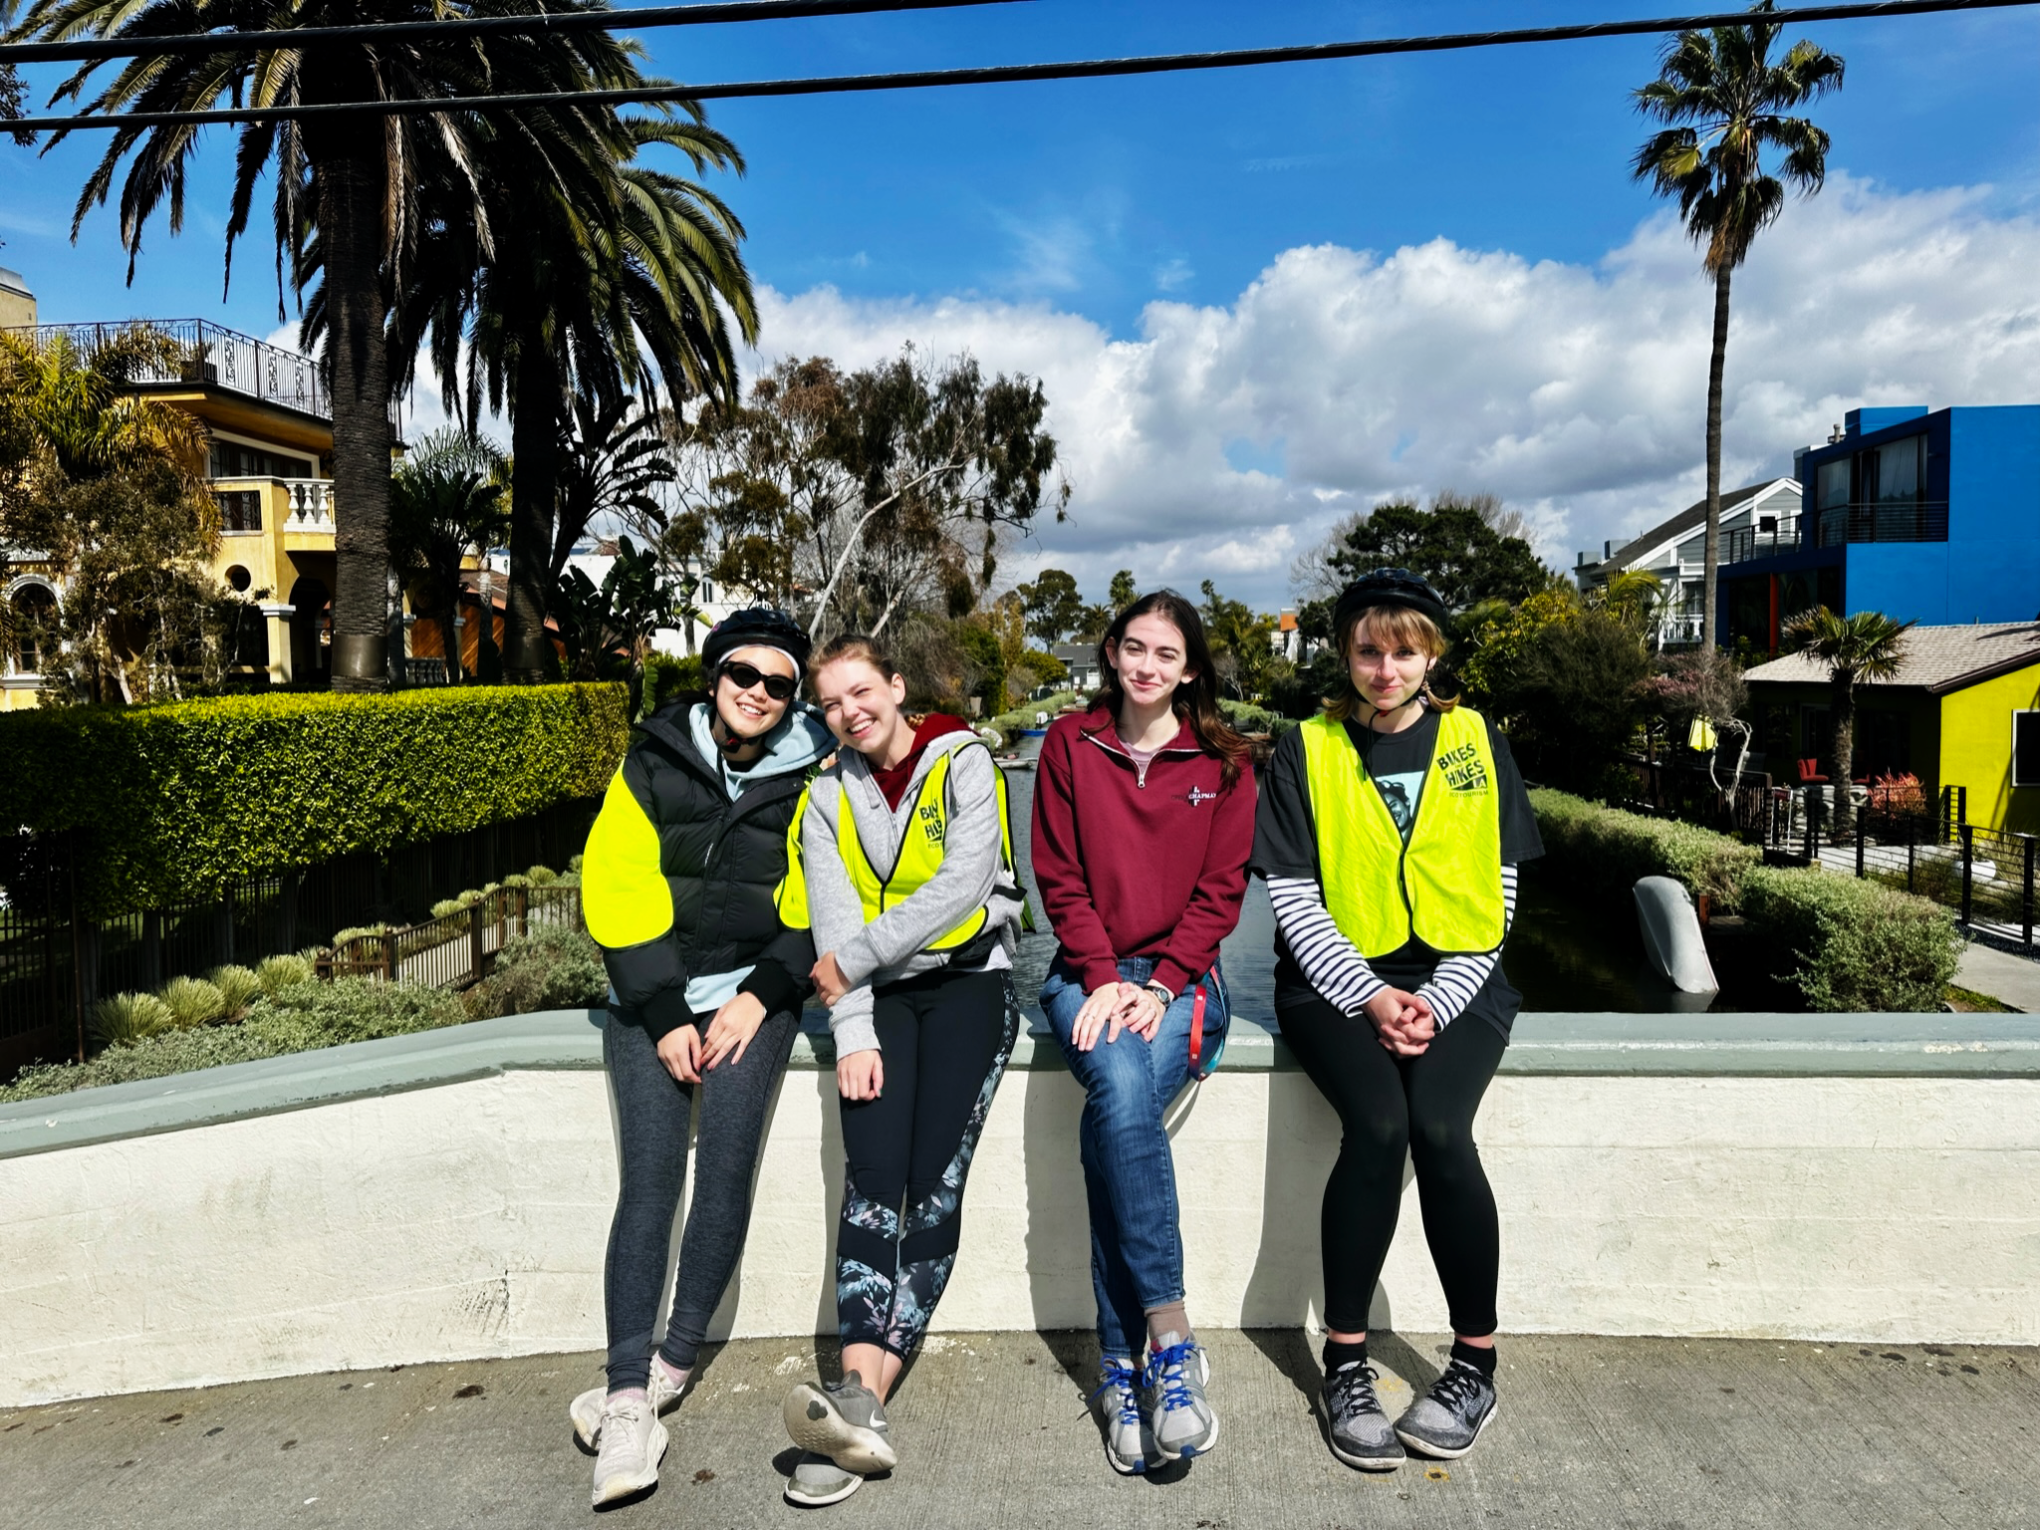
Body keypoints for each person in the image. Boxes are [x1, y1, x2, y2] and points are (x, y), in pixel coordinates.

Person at [1250, 568, 1544, 1473]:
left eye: (1405, 650)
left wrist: (1440, 1000)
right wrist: (1372, 997)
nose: (1387, 667)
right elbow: (1293, 899)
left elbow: (1498, 892)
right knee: (1378, 1126)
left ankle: (1474, 1365)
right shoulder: (1306, 748)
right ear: (1346, 654)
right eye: (1370, 650)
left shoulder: (1475, 740)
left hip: (1463, 975)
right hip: (1331, 985)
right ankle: (1346, 1361)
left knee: (1442, 1129)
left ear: (1432, 655)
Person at [574, 609, 834, 1507]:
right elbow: (616, 880)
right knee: (650, 1182)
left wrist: (762, 995)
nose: (758, 693)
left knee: (726, 1172)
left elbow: (816, 899)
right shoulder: (650, 760)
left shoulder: (815, 775)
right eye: (743, 675)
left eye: (778, 683)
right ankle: (624, 1397)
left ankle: (673, 1363)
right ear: (714, 675)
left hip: (753, 999)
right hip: (656, 1002)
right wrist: (662, 1008)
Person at [771, 634, 1031, 1508]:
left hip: (968, 990)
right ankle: (859, 1400)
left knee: (932, 1186)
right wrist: (853, 1032)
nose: (851, 711)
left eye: (862, 691)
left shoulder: (963, 760)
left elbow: (964, 882)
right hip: (875, 1003)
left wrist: (858, 963)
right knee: (873, 1181)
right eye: (832, 702)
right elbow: (832, 919)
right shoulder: (824, 798)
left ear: (895, 685)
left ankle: (859, 1403)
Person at [1029, 590, 1256, 1474]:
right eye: (1133, 649)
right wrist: (1100, 978)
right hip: (1085, 977)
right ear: (1112, 654)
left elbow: (1221, 894)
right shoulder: (1068, 746)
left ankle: (1123, 1368)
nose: (1146, 666)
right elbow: (1060, 878)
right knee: (1121, 1095)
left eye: (1165, 654)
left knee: (1111, 1120)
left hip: (1183, 984)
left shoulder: (1226, 762)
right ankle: (1170, 1339)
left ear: (1189, 667)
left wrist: (1158, 988)